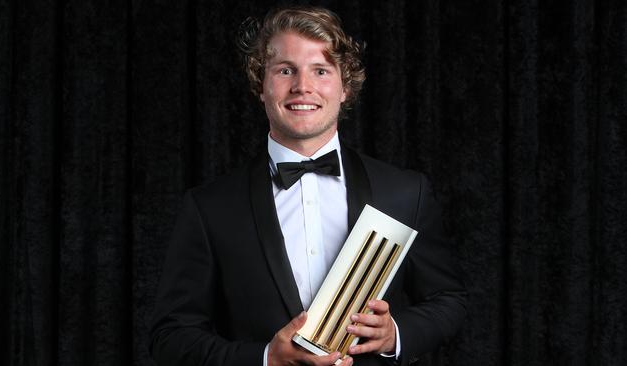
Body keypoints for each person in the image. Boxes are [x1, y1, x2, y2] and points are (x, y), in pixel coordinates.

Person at [149, 6, 467, 366]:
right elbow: (171, 337)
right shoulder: (209, 207)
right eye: (286, 70)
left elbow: (449, 299)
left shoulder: (406, 192)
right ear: (261, 85)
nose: (303, 87)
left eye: (320, 70)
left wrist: (394, 334)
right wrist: (267, 358)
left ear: (345, 87)